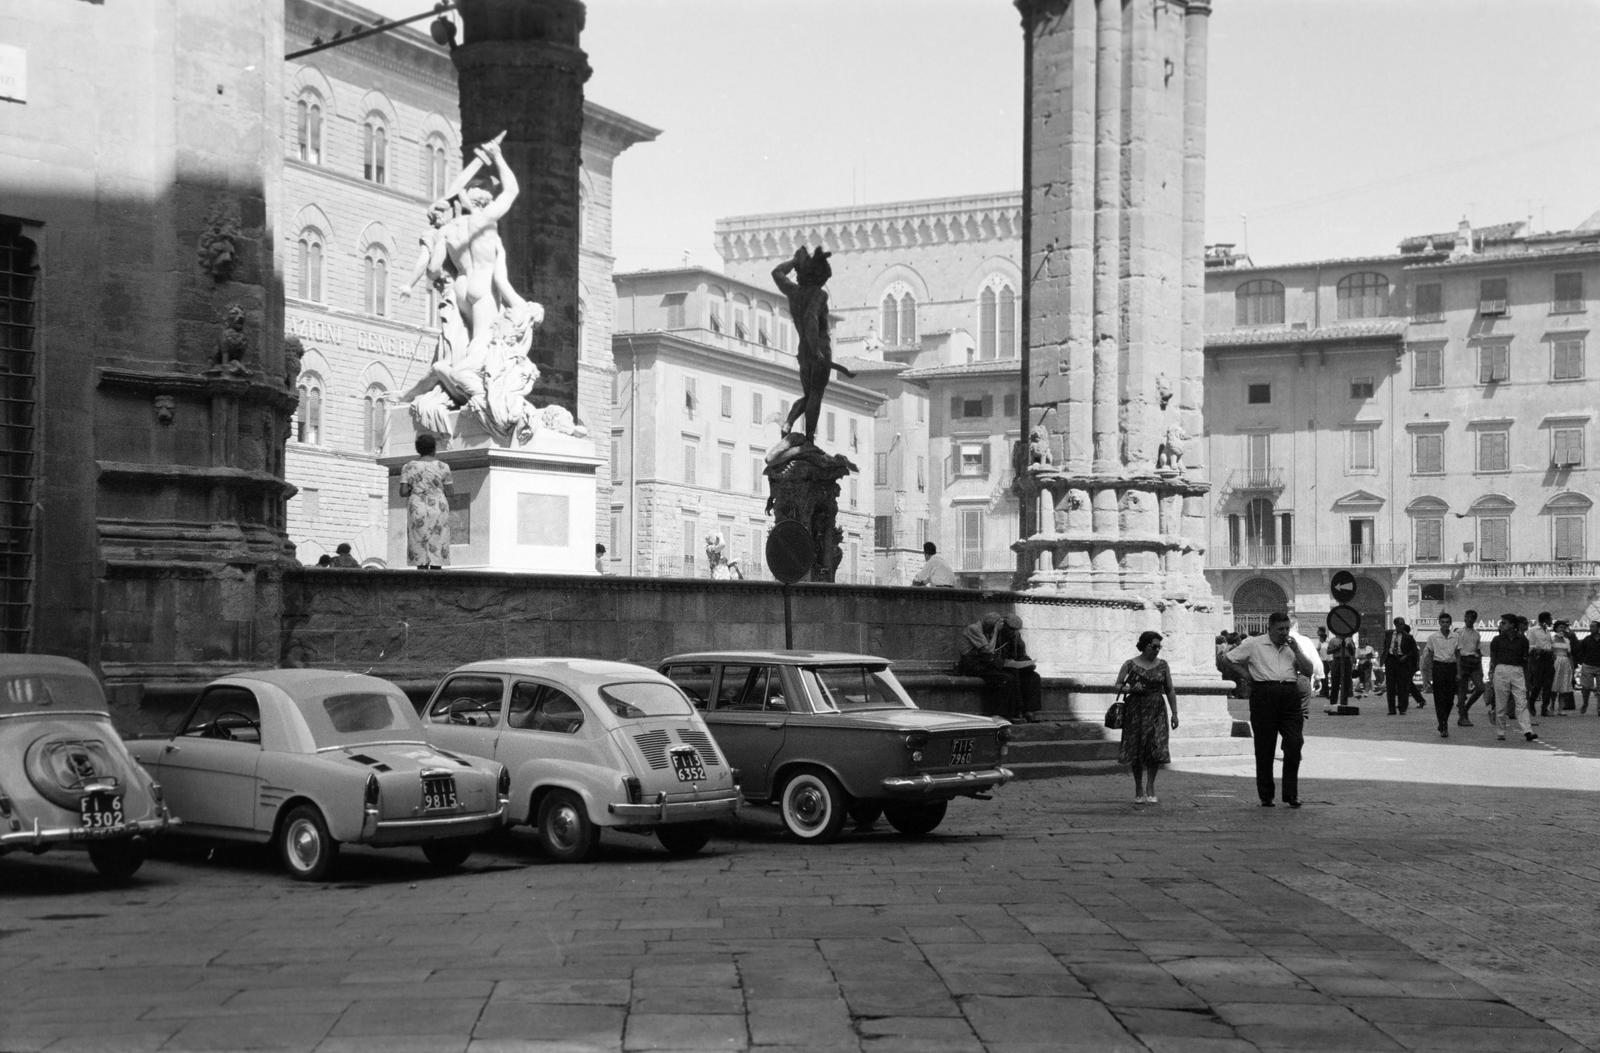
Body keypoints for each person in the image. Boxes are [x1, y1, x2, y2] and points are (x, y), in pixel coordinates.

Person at [1224, 611, 1314, 808]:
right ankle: (1266, 795)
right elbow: (1228, 659)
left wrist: (1297, 650)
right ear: (1270, 629)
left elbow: (1308, 670)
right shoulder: (1254, 644)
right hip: (1264, 693)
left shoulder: (1293, 646)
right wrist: (1246, 676)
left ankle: (1291, 793)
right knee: (1265, 746)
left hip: (1290, 694)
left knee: (1294, 742)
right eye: (1280, 629)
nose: (1284, 633)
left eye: (1286, 628)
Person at [770, 246, 855, 447]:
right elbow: (810, 319)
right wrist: (816, 349)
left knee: (809, 395)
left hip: (803, 352)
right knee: (815, 395)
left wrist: (794, 262)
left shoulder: (793, 291)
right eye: (825, 278)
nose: (825, 282)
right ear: (819, 276)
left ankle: (788, 423)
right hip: (819, 350)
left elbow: (777, 273)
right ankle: (809, 439)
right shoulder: (819, 295)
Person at [1112, 631, 1179, 805]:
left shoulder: (1163, 665)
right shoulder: (1130, 664)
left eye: (1159, 647)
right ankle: (1138, 787)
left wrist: (1175, 713)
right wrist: (1132, 688)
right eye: (1154, 646)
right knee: (1137, 749)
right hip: (1136, 710)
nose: (1157, 650)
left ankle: (1150, 786)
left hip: (1157, 709)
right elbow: (1118, 685)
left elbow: (1170, 689)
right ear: (1145, 645)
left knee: (1155, 747)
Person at [956, 612, 1042, 722]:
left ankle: (1029, 711)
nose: (1013, 632)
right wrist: (1004, 663)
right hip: (994, 665)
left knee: (1033, 677)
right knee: (1009, 677)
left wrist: (1028, 663)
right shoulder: (992, 633)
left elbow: (1021, 654)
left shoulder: (1015, 636)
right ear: (1003, 625)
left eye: (1016, 630)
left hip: (1007, 665)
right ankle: (1013, 712)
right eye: (1010, 629)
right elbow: (988, 653)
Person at [399, 432, 453, 570]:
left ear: (418, 449)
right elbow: (450, 492)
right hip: (438, 507)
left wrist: (417, 489)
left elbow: (403, 492)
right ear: (434, 448)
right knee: (438, 541)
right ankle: (436, 575)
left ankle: (421, 573)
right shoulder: (443, 467)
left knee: (418, 542)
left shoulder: (408, 467)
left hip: (417, 507)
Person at [1488, 613, 1535, 742]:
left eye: (1504, 623)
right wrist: (1491, 674)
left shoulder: (1523, 640)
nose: (1501, 625)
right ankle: (1501, 731)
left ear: (1512, 625)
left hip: (1517, 670)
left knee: (1521, 701)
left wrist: (1527, 678)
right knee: (1501, 703)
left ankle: (1527, 730)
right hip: (1501, 669)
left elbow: (1525, 661)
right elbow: (1493, 659)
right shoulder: (1496, 640)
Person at [1419, 612, 1459, 738]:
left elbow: (1458, 655)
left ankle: (1443, 720)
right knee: (1439, 698)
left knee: (1450, 699)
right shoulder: (1433, 637)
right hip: (1438, 667)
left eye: (1447, 622)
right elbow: (1429, 656)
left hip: (1451, 667)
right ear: (1439, 623)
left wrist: (1459, 672)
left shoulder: (1456, 637)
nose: (1445, 624)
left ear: (1450, 623)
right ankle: (1443, 723)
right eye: (1443, 622)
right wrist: (1429, 674)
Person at [1381, 617, 1420, 715]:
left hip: (1402, 662)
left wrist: (1406, 656)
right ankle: (1391, 709)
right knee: (1390, 687)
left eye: (1403, 624)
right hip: (1390, 661)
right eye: (1399, 625)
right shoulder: (1388, 634)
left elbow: (1414, 650)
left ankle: (1402, 708)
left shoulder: (1408, 637)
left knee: (1403, 686)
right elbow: (1386, 646)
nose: (1401, 626)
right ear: (1395, 625)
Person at [1455, 609, 1485, 726]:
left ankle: (1465, 708)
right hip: (1462, 661)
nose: (1469, 620)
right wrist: (1457, 669)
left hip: (1474, 662)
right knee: (1461, 691)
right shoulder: (1458, 632)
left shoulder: (1477, 634)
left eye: (1472, 618)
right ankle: (1463, 716)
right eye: (1467, 617)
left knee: (1481, 688)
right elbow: (1456, 651)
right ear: (1464, 618)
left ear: (1474, 620)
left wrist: (1481, 669)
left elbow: (1478, 651)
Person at [1527, 611, 1557, 717]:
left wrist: (1552, 652)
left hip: (1549, 659)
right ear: (1545, 619)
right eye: (1550, 619)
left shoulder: (1547, 631)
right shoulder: (1533, 630)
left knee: (1548, 685)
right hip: (1538, 659)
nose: (1551, 621)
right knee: (1537, 684)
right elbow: (1530, 645)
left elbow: (1548, 644)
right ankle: (1531, 703)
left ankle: (1544, 708)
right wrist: (1539, 650)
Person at [1551, 619, 1577, 715]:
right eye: (1560, 627)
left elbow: (1569, 655)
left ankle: (1560, 708)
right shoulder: (1551, 639)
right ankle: (1552, 707)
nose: (1562, 629)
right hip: (1555, 663)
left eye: (1564, 627)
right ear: (1556, 628)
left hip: (1565, 663)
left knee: (1564, 686)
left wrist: (1572, 667)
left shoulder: (1567, 640)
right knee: (1554, 685)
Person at [1326, 633, 1356, 706]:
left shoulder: (1349, 640)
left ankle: (1344, 703)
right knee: (1335, 682)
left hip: (1346, 660)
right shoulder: (1333, 640)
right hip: (1337, 660)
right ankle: (1333, 703)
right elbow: (1328, 651)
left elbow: (1353, 652)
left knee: (1346, 683)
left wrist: (1349, 647)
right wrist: (1337, 648)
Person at [1577, 621, 1600, 715]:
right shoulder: (1586, 639)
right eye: (1590, 626)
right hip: (1588, 665)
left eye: (1593, 626)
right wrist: (1582, 661)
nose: (1590, 628)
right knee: (1586, 687)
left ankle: (1599, 708)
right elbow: (1580, 651)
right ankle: (1585, 703)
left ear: (1598, 628)